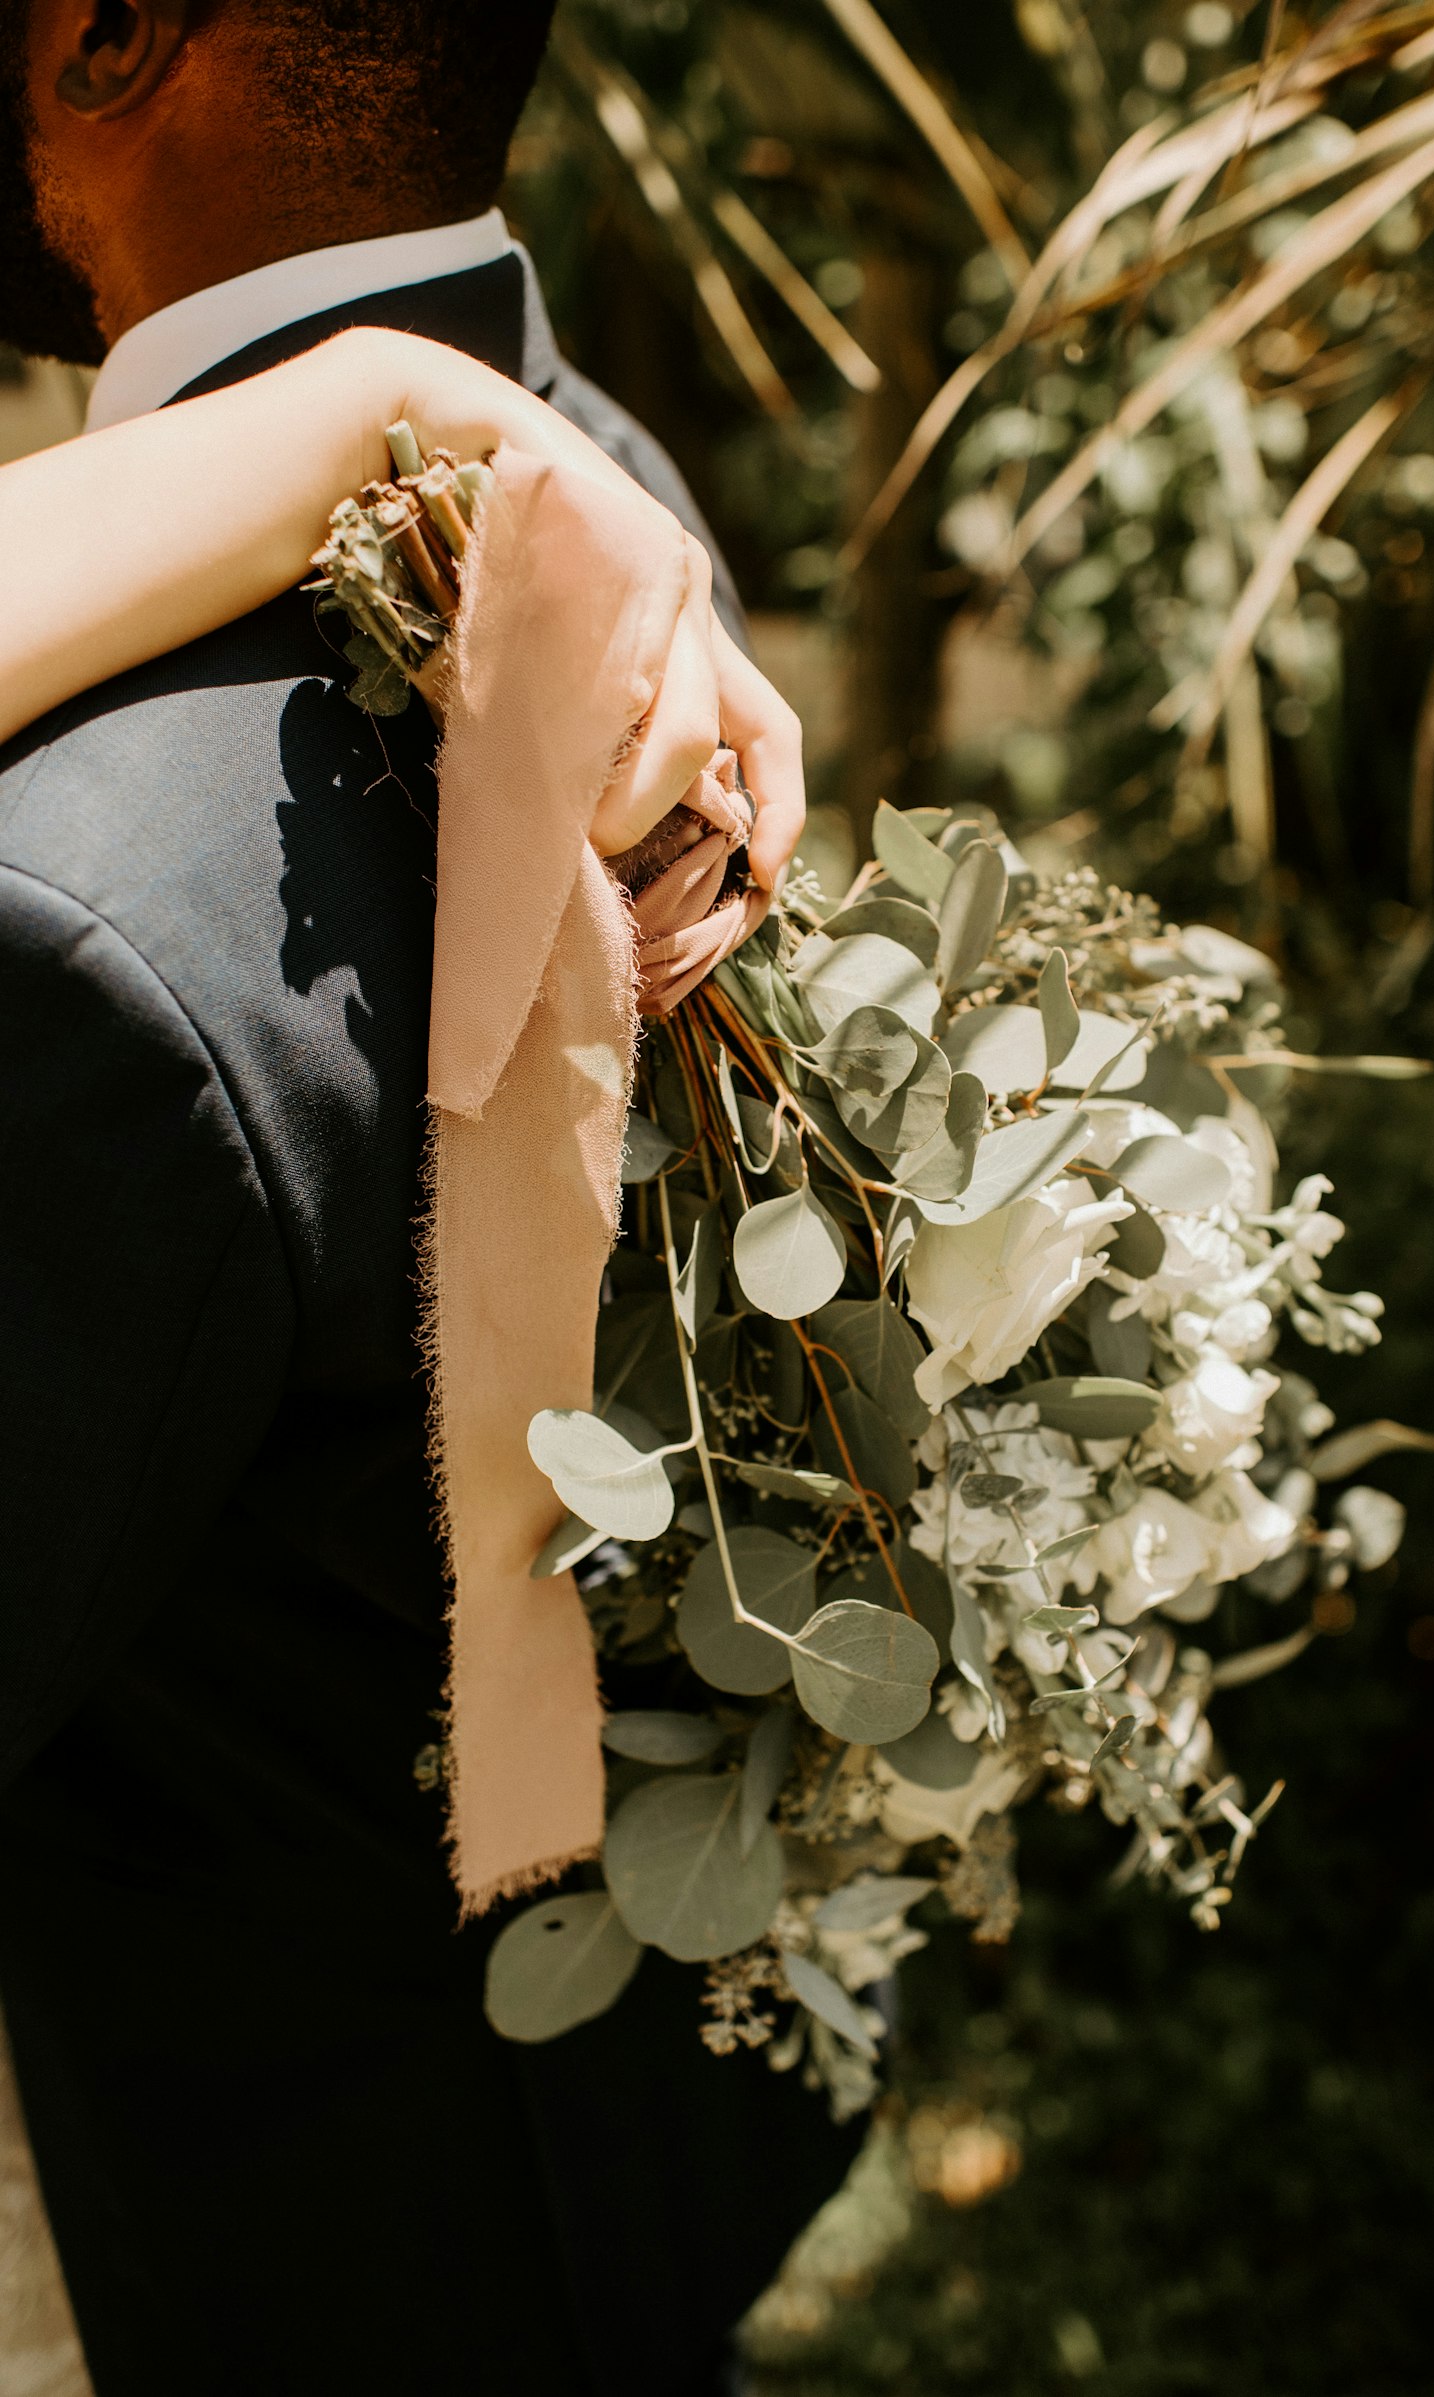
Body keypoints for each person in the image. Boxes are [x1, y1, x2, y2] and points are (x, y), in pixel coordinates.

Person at [0, 5, 859, 2393]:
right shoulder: (589, 463)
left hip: (278, 2234)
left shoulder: (70, 932)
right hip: (606, 2131)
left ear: (109, 34)